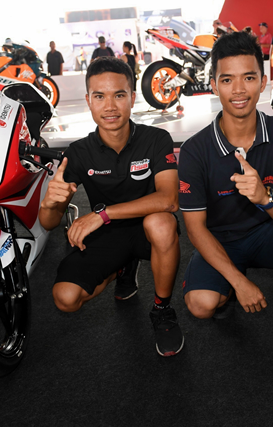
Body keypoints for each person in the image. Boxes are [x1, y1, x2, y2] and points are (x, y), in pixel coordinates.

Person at [178, 32, 273, 363]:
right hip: (220, 240)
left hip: (268, 233)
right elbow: (195, 230)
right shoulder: (195, 150)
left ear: (263, 81)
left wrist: (264, 197)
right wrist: (239, 282)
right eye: (227, 79)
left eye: (249, 78)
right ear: (214, 85)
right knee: (201, 305)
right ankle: (227, 291)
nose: (239, 90)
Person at [38, 57, 184, 357]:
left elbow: (169, 200)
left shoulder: (156, 139)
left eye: (118, 95)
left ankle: (161, 309)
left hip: (147, 229)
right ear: (88, 101)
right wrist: (51, 203)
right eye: (99, 96)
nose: (110, 106)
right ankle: (122, 267)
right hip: (109, 235)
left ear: (132, 97)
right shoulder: (78, 152)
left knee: (160, 223)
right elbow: (49, 222)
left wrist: (102, 215)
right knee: (66, 298)